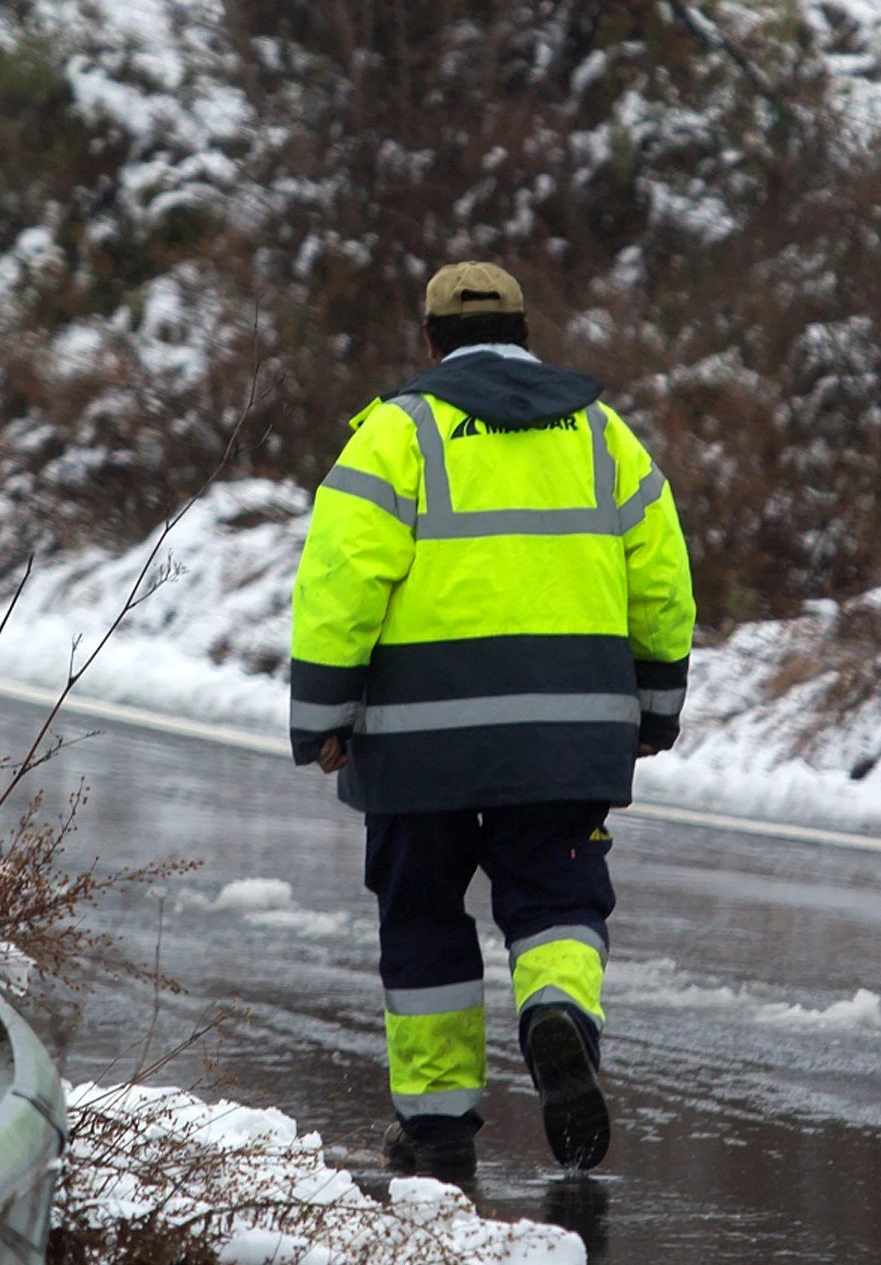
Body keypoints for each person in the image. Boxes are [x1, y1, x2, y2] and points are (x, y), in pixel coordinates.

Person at [286, 262, 694, 1181]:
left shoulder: (395, 435)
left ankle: (436, 1131)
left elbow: (339, 581)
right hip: (564, 735)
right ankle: (556, 1014)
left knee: (424, 911)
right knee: (556, 898)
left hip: (416, 740)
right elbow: (661, 577)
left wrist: (322, 716)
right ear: (525, 328)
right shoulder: (601, 434)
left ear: (428, 339)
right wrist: (655, 703)